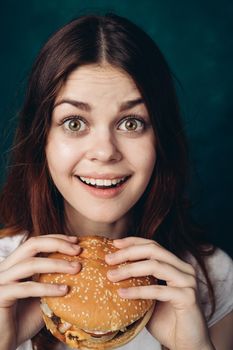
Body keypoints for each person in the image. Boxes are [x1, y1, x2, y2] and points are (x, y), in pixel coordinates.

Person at [0, 12, 232, 350]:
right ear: (42, 139)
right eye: (75, 122)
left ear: (159, 140)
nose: (105, 152)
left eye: (132, 123)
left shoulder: (215, 280)